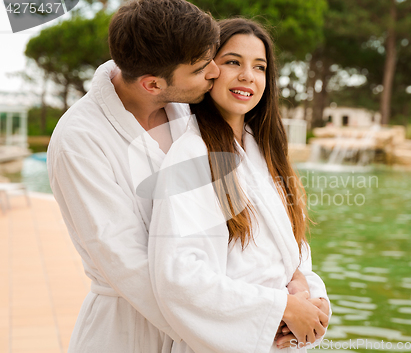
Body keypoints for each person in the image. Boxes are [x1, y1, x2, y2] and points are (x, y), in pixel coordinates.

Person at [48, 1, 328, 352]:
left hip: (220, 308)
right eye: (201, 68)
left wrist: (297, 282)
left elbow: (258, 215)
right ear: (152, 84)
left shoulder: (187, 104)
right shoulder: (80, 140)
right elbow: (126, 262)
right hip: (134, 326)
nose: (213, 73)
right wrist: (263, 319)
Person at [148, 18, 331, 353]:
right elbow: (180, 277)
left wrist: (311, 298)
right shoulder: (191, 155)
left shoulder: (265, 150)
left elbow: (292, 249)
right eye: (233, 62)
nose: (248, 75)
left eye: (259, 67)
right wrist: (283, 308)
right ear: (209, 70)